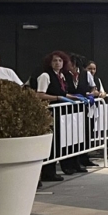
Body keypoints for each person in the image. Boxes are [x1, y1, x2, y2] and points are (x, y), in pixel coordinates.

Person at [34, 51, 74, 182]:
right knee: (51, 142)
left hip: (59, 113)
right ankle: (47, 172)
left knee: (57, 142)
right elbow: (39, 94)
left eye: (60, 61)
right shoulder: (45, 76)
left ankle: (51, 170)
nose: (58, 63)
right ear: (49, 63)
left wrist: (76, 98)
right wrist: (57, 98)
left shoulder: (61, 76)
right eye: (55, 61)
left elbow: (63, 93)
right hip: (49, 112)